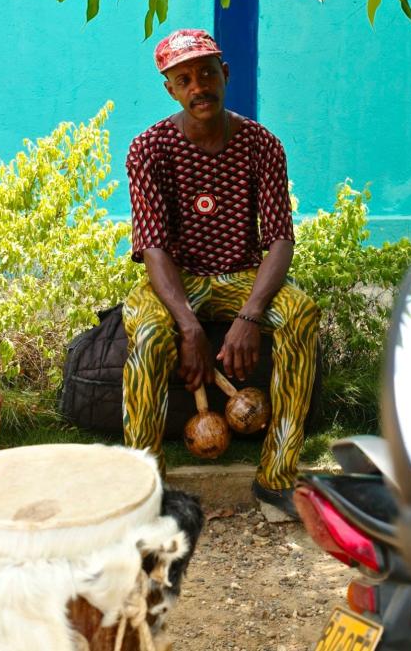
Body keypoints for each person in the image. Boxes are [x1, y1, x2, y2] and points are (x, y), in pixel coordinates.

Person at [123, 28, 319, 519]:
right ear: (170, 89)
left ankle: (277, 476)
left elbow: (279, 238)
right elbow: (151, 245)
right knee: (148, 335)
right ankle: (142, 487)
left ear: (224, 74)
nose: (198, 87)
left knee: (300, 313)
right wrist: (188, 326)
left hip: (239, 276)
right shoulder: (149, 149)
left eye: (207, 73)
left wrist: (250, 315)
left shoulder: (260, 145)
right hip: (175, 280)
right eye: (184, 79)